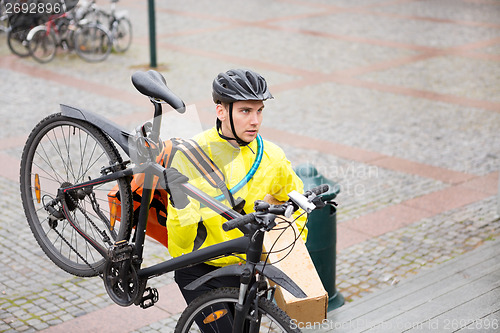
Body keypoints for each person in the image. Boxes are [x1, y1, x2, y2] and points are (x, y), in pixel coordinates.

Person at [166, 69, 307, 309]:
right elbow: (181, 245)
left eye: (259, 110)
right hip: (201, 270)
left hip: (247, 269)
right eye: (245, 111)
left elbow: (297, 203)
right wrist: (179, 201)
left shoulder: (272, 157)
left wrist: (290, 251)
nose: (255, 121)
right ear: (221, 111)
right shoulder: (190, 156)